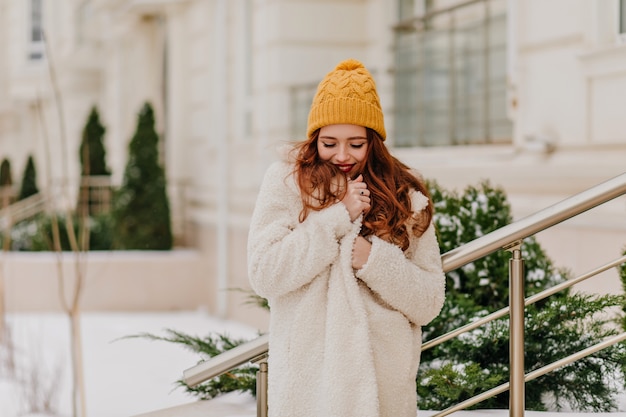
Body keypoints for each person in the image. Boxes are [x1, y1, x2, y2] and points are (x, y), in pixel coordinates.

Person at [247, 58, 446, 417]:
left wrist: (374, 261)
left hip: (383, 384)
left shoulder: (406, 193)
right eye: (330, 143)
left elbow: (429, 301)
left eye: (356, 144)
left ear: (374, 142)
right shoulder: (285, 184)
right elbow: (265, 273)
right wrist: (336, 218)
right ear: (314, 139)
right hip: (311, 387)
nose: (342, 156)